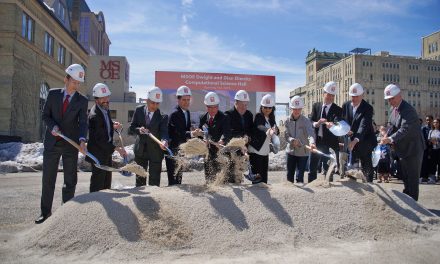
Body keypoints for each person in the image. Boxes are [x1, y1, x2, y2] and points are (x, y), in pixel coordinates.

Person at [36, 64, 88, 224]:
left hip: (70, 145)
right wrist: (53, 127)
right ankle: (45, 213)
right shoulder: (53, 95)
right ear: (66, 79)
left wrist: (82, 140)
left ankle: (65, 215)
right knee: (48, 179)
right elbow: (45, 116)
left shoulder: (82, 100)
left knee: (70, 180)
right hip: (52, 143)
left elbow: (82, 123)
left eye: (79, 83)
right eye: (74, 82)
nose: (76, 86)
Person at [380, 84, 424, 201]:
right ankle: (407, 198)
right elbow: (391, 125)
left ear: (400, 96)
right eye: (388, 99)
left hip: (413, 149)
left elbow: (405, 129)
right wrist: (385, 132)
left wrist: (390, 139)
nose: (390, 101)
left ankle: (414, 203)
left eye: (392, 98)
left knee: (412, 178)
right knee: (405, 176)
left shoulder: (408, 110)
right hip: (402, 150)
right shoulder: (393, 109)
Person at [86, 83, 127, 192]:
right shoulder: (94, 115)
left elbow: (104, 125)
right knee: (98, 184)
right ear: (96, 99)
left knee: (106, 182)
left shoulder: (104, 108)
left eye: (107, 96)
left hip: (106, 152)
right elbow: (100, 139)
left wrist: (112, 125)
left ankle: (105, 202)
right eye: (102, 98)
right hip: (98, 153)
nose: (106, 99)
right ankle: (95, 206)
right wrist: (117, 149)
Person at [129, 87, 169, 187]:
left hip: (155, 152)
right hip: (140, 152)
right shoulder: (138, 110)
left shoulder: (163, 116)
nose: (155, 106)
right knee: (140, 182)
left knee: (154, 182)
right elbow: (131, 128)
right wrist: (139, 130)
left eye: (157, 103)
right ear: (147, 100)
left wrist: (164, 141)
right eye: (152, 103)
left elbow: (164, 132)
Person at [341, 83, 377, 182]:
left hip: (365, 142)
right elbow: (343, 121)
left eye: (357, 96)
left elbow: (363, 125)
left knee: (366, 167)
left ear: (362, 95)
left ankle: (369, 186)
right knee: (351, 167)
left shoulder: (368, 108)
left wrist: (356, 139)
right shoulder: (346, 105)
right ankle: (353, 185)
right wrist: (344, 130)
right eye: (352, 96)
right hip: (351, 143)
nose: (354, 99)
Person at [308, 81, 342, 183]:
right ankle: (311, 183)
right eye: (329, 95)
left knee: (328, 167)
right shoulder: (316, 106)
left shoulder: (338, 109)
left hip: (330, 143)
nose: (330, 97)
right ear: (323, 94)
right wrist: (316, 124)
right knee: (313, 166)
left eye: (333, 95)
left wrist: (332, 124)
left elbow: (337, 121)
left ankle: (328, 185)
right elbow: (310, 121)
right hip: (317, 141)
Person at [198, 92, 231, 183]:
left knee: (221, 179)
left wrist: (222, 141)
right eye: (210, 107)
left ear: (218, 106)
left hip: (220, 152)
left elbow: (227, 133)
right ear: (206, 106)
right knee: (209, 177)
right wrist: (202, 139)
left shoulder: (224, 117)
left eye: (215, 107)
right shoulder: (203, 118)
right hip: (208, 152)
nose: (212, 109)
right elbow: (201, 133)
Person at [224, 90, 254, 183]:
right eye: (242, 105)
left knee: (239, 175)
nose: (244, 107)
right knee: (231, 176)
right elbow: (228, 133)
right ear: (235, 102)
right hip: (231, 150)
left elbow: (250, 131)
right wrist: (241, 138)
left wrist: (248, 137)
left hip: (243, 150)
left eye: (246, 105)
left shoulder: (249, 115)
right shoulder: (228, 115)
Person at [248, 94, 279, 184]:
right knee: (257, 179)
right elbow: (259, 126)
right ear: (261, 107)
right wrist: (268, 130)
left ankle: (264, 196)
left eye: (269, 107)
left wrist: (276, 130)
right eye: (265, 107)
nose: (267, 109)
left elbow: (276, 130)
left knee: (264, 179)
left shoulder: (271, 119)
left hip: (265, 151)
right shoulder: (258, 116)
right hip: (256, 151)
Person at [285, 96, 316, 183]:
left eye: (299, 109)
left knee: (300, 176)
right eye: (295, 109)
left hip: (303, 153)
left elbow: (311, 134)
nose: (297, 111)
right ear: (291, 108)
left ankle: (299, 195)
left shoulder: (306, 121)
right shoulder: (287, 121)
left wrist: (312, 143)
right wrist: (292, 140)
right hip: (290, 152)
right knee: (289, 176)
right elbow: (286, 135)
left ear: (301, 109)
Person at [166, 85, 193, 185]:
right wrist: (192, 134)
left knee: (179, 175)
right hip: (173, 149)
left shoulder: (187, 112)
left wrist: (192, 131)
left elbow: (187, 128)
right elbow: (179, 132)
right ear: (178, 100)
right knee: (173, 177)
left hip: (181, 148)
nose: (186, 102)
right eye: (184, 100)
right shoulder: (174, 114)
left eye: (188, 100)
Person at [421, 115, 433, 183]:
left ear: (432, 120)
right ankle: (424, 177)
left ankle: (431, 176)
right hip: (425, 148)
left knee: (432, 163)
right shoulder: (423, 128)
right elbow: (422, 138)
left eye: (429, 120)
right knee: (424, 162)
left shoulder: (433, 128)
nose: (428, 121)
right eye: (427, 120)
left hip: (433, 148)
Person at [427, 118, 440, 184]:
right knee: (432, 164)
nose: (435, 123)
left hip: (439, 149)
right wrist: (431, 141)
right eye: (434, 122)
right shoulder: (431, 131)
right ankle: (432, 178)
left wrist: (437, 141)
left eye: (437, 122)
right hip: (433, 150)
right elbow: (428, 140)